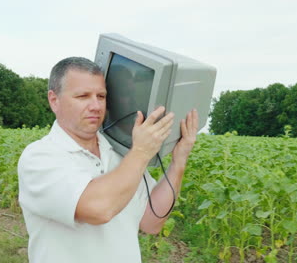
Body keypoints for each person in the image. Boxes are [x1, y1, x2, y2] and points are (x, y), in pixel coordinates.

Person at [18, 57, 198, 262]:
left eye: (101, 96)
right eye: (83, 96)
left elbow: (152, 221)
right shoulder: (40, 157)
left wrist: (179, 162)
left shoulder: (121, 155)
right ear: (54, 100)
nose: (95, 106)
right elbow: (98, 209)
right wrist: (140, 152)